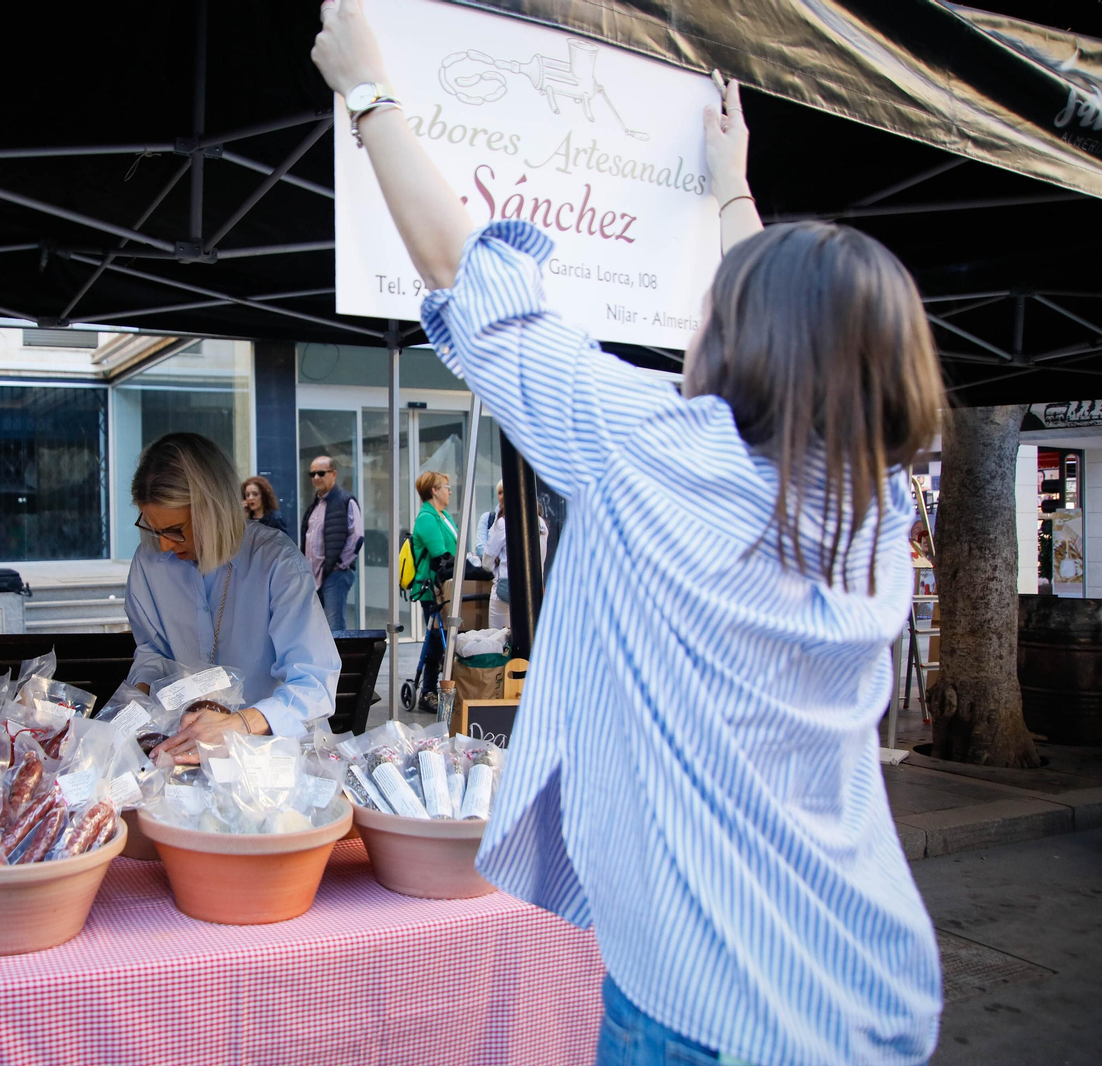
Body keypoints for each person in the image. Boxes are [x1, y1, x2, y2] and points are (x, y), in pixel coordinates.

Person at [314, 3, 944, 1063]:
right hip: (870, 992)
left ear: (738, 338)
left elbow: (472, 282)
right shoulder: (876, 508)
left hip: (708, 1020)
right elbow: (807, 343)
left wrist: (369, 92)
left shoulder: (650, 451)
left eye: (716, 307)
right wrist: (731, 189)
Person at [125, 433, 340, 762]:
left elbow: (314, 681)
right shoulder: (149, 559)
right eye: (155, 529)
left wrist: (239, 724)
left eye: (176, 530)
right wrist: (131, 711)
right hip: (184, 751)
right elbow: (153, 652)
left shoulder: (275, 562)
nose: (165, 546)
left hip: (272, 758)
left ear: (215, 510)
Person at [300, 456, 364, 633]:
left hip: (334, 575)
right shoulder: (315, 505)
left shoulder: (345, 500)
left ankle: (340, 662)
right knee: (316, 629)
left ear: (334, 474)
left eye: (321, 473)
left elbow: (357, 536)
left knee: (335, 629)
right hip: (314, 577)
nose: (316, 478)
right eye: (312, 474)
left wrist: (339, 564)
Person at [410, 469, 457, 709]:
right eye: (445, 486)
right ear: (434, 491)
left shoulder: (443, 515)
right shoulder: (427, 517)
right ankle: (427, 692)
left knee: (446, 637)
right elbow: (442, 555)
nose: (449, 491)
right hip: (433, 590)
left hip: (448, 587)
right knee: (438, 639)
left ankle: (440, 688)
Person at [480, 480, 549, 631]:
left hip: (505, 589)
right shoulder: (541, 524)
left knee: (498, 640)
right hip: (534, 588)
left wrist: (497, 568)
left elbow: (486, 561)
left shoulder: (504, 523)